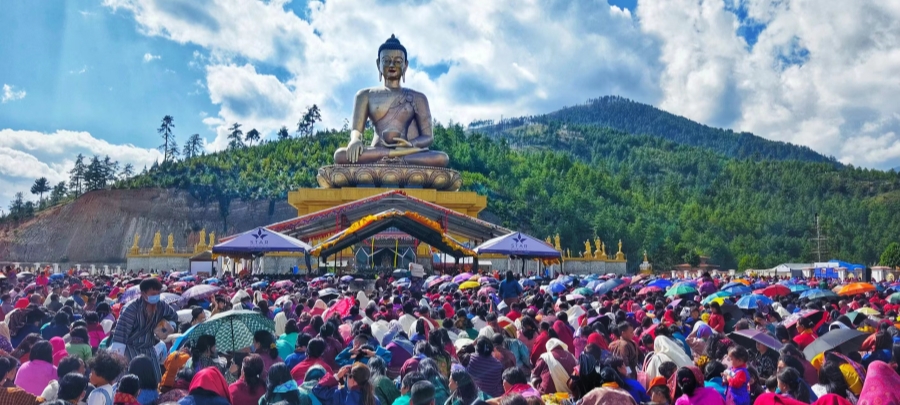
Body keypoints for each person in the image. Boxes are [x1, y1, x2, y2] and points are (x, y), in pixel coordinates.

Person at [111, 278, 177, 384]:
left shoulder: (161, 305)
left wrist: (169, 325)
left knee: (155, 378)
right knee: (130, 380)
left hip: (149, 347)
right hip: (130, 348)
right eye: (153, 293)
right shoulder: (131, 309)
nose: (156, 296)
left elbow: (173, 316)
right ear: (143, 294)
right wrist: (118, 359)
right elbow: (121, 334)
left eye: (158, 293)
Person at [312, 363, 379, 405]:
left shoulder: (340, 396)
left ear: (352, 379)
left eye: (347, 376)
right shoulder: (374, 399)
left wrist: (336, 377)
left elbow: (317, 390)